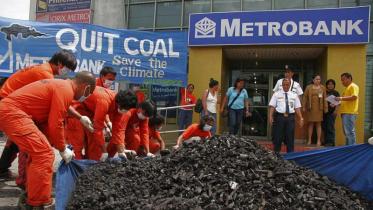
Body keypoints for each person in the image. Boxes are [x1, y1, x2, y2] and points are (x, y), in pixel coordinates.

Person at [0, 71, 95, 209]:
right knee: (43, 154)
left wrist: (80, 117)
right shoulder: (66, 89)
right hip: (13, 113)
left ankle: (32, 194)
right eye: (89, 92)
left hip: (11, 111)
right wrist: (62, 149)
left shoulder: (63, 86)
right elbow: (55, 123)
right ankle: (37, 203)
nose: (87, 96)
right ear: (85, 86)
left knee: (38, 153)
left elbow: (64, 106)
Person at [0, 49, 77, 181]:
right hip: (9, 102)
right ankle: (22, 177)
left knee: (16, 139)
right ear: (59, 63)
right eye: (67, 68)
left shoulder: (43, 69)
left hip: (9, 100)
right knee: (27, 139)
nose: (67, 72)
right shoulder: (44, 73)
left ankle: (3, 169)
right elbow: (59, 104)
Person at [67, 88, 138, 161]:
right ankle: (76, 168)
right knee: (77, 145)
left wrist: (121, 150)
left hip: (90, 113)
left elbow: (118, 129)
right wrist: (104, 151)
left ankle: (90, 167)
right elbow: (98, 128)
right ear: (119, 103)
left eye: (128, 109)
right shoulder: (104, 101)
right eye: (125, 108)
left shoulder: (118, 106)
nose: (126, 110)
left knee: (95, 145)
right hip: (76, 112)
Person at [269, 78, 304, 154]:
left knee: (290, 137)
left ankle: (290, 155)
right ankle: (276, 154)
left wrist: (301, 118)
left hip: (290, 117)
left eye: (287, 85)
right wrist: (270, 116)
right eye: (284, 85)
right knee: (277, 136)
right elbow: (272, 106)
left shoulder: (294, 95)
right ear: (282, 85)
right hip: (279, 117)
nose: (285, 86)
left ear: (289, 85)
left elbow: (297, 107)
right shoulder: (276, 94)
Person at [302, 74, 328, 146]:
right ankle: (309, 140)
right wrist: (303, 106)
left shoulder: (322, 88)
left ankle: (318, 140)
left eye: (319, 79)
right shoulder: (308, 87)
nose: (318, 80)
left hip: (319, 109)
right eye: (316, 79)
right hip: (311, 108)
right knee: (311, 124)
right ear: (313, 80)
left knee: (318, 124)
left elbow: (325, 98)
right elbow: (305, 97)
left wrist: (326, 108)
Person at [335, 72, 359, 145]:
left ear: (349, 78)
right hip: (346, 112)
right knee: (347, 132)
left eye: (343, 79)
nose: (342, 82)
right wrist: (337, 103)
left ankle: (352, 149)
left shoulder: (353, 86)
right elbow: (346, 101)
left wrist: (340, 98)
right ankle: (348, 148)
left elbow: (354, 97)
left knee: (349, 132)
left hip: (350, 112)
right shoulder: (347, 88)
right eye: (341, 80)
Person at [323, 79, 340, 146]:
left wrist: (336, 110)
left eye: (332, 84)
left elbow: (338, 103)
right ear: (326, 85)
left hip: (332, 113)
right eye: (329, 84)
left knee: (330, 127)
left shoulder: (336, 93)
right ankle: (326, 141)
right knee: (325, 127)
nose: (330, 85)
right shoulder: (324, 92)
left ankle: (331, 142)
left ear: (334, 85)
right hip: (324, 113)